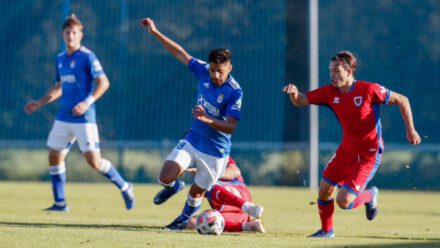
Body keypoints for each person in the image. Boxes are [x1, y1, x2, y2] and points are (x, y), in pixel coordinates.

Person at [282, 51, 421, 238]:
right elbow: (301, 100)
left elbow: (402, 100)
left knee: (344, 201)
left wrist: (410, 130)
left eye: (336, 70)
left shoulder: (369, 90)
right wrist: (293, 93)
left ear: (349, 71)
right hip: (346, 151)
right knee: (324, 191)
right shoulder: (329, 93)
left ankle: (370, 195)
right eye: (330, 71)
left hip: (369, 155)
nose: (332, 75)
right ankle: (326, 231)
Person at [140, 17, 252, 230]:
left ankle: (181, 221)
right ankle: (173, 187)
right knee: (165, 177)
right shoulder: (202, 71)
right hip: (193, 140)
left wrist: (207, 119)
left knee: (197, 193)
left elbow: (231, 127)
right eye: (212, 70)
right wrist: (155, 32)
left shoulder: (235, 91)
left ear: (230, 67)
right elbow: (180, 53)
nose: (216, 75)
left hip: (216, 152)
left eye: (220, 71)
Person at [24, 14, 135, 212]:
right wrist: (40, 103)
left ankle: (126, 187)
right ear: (62, 34)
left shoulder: (87, 56)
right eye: (67, 32)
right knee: (54, 155)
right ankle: (60, 203)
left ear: (80, 35)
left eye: (74, 32)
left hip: (84, 118)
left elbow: (104, 82)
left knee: (94, 162)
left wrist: (86, 102)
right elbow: (59, 86)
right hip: (63, 117)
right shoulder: (60, 59)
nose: (70, 36)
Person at [186, 157, 265, 233]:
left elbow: (235, 171)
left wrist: (210, 174)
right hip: (232, 208)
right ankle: (249, 225)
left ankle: (248, 207)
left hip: (237, 189)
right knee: (194, 222)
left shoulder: (217, 150)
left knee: (207, 185)